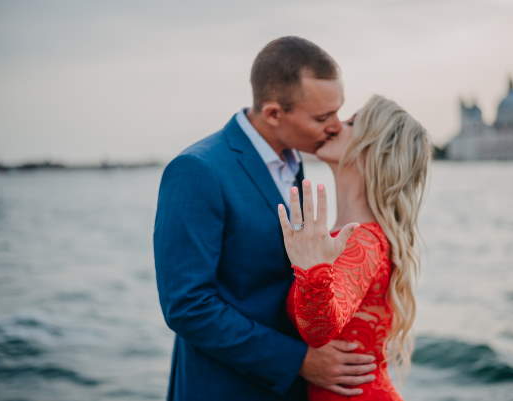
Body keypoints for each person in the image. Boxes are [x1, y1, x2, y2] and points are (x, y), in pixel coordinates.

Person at [153, 36, 376, 401]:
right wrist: (298, 360)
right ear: (274, 114)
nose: (336, 126)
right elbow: (187, 305)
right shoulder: (197, 170)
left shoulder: (297, 161)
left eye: (338, 112)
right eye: (322, 117)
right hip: (224, 388)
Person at [277, 95, 432, 400]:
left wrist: (312, 269)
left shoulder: (364, 239)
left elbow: (320, 330)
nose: (335, 125)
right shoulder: (352, 235)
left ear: (374, 148)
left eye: (350, 123)